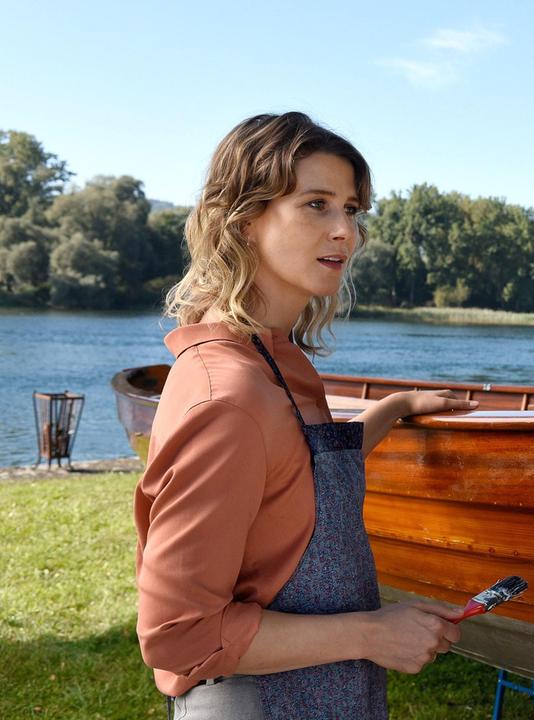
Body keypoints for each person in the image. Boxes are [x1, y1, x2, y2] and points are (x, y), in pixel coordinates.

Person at [133, 112, 477, 719]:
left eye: (352, 209)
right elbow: (177, 635)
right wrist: (372, 633)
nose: (346, 231)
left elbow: (293, 470)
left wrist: (393, 409)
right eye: (316, 205)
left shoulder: (271, 357)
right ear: (244, 222)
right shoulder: (229, 396)